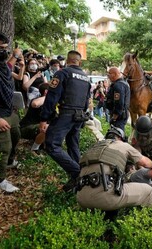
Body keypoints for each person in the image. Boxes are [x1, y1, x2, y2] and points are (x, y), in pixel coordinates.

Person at [39, 50, 91, 192]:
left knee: (51, 144)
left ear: (67, 61)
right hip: (80, 116)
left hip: (67, 114)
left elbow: (52, 97)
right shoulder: (86, 78)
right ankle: (77, 181)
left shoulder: (62, 73)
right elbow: (87, 101)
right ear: (79, 62)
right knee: (73, 145)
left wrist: (44, 118)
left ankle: (77, 173)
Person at [76, 126, 152, 211]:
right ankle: (150, 219)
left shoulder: (93, 148)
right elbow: (146, 163)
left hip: (81, 198)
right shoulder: (123, 145)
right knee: (148, 191)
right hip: (105, 198)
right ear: (120, 138)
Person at [0, 28, 22, 192]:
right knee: (3, 148)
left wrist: (14, 57)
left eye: (5, 48)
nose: (4, 51)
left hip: (9, 111)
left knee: (16, 136)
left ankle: (10, 162)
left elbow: (8, 67)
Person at [19, 83, 49, 155]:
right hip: (26, 127)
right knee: (47, 127)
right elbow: (35, 104)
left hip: (39, 129)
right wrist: (49, 97)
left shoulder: (52, 104)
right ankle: (34, 149)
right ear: (46, 91)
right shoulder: (37, 99)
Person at [105, 67, 130, 131]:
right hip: (121, 114)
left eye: (109, 74)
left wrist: (115, 116)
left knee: (116, 134)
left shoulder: (118, 85)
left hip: (119, 116)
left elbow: (119, 102)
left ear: (115, 74)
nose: (108, 76)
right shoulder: (123, 83)